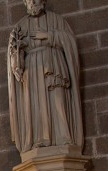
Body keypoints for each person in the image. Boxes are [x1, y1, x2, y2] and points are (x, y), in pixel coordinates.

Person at [7, 0, 83, 154]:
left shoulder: (57, 20)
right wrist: (17, 57)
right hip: (32, 70)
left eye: (35, 0)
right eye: (29, 0)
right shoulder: (19, 27)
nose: (33, 3)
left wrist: (50, 36)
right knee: (34, 104)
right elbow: (13, 56)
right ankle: (39, 139)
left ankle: (64, 137)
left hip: (54, 65)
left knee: (58, 100)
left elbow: (69, 42)